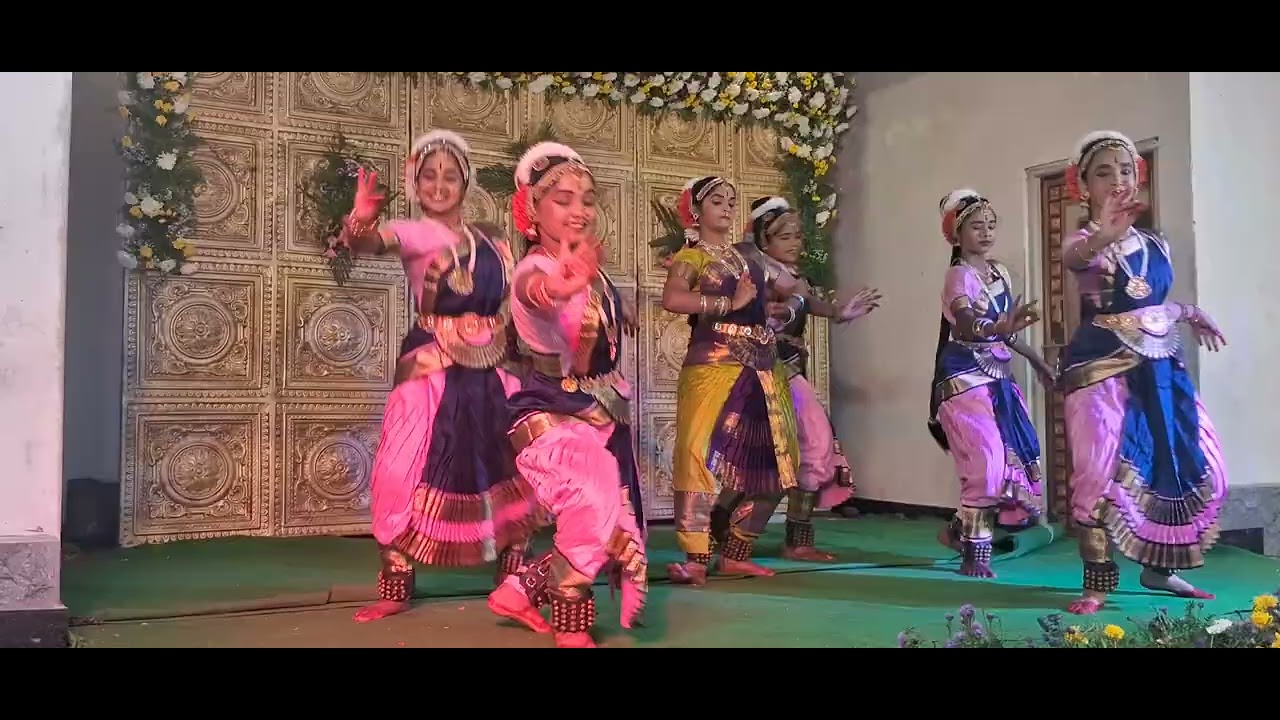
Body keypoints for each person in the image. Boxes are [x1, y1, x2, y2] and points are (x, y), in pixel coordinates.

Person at [337, 130, 542, 626]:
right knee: (402, 467)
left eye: (450, 175)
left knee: (509, 468)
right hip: (430, 363)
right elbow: (366, 242)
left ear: (466, 182)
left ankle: (513, 580)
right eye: (429, 176)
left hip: (493, 366)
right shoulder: (412, 232)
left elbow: (515, 298)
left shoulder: (492, 238)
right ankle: (395, 584)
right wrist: (360, 220)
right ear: (415, 183)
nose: (439, 184)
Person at [1057, 130, 1228, 614]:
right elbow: (1076, 258)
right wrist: (1105, 235)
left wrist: (1190, 312)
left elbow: (1153, 304)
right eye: (1104, 172)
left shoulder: (1156, 243)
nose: (1118, 180)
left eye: (1126, 170)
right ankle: (1097, 584)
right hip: (1098, 369)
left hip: (1158, 366)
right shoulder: (1082, 241)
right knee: (1096, 473)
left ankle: (1158, 568)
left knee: (1191, 464)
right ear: (1083, 185)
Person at [484, 142, 648, 648]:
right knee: (594, 499)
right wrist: (558, 290)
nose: (579, 210)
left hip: (598, 413)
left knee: (607, 521)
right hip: (549, 414)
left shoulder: (591, 269)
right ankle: (571, 629)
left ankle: (520, 589)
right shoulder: (535, 267)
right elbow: (537, 293)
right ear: (532, 209)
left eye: (588, 199)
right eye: (563, 199)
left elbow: (597, 330)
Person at [662, 176, 803, 586]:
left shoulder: (750, 257)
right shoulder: (692, 257)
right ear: (697, 211)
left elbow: (796, 289)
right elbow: (674, 299)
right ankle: (695, 559)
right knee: (696, 452)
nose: (726, 207)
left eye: (731, 201)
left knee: (781, 458)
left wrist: (784, 311)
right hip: (711, 364)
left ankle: (738, 550)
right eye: (717, 202)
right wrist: (729, 303)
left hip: (762, 364)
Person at [743, 196, 881, 560]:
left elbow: (807, 301)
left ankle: (796, 539)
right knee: (799, 447)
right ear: (763, 240)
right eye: (784, 237)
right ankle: (737, 534)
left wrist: (840, 312)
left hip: (788, 369)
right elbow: (791, 303)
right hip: (767, 371)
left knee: (812, 448)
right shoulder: (759, 271)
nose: (794, 243)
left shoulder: (790, 277)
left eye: (797, 237)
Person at [927, 188, 1052, 578]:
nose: (985, 233)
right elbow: (965, 324)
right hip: (962, 377)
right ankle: (974, 556)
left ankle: (955, 532)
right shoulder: (957, 275)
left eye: (991, 225)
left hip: (997, 375)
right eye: (977, 226)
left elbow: (1005, 333)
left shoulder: (998, 273)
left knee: (1004, 463)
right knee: (987, 463)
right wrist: (998, 327)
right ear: (957, 235)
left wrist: (1038, 363)